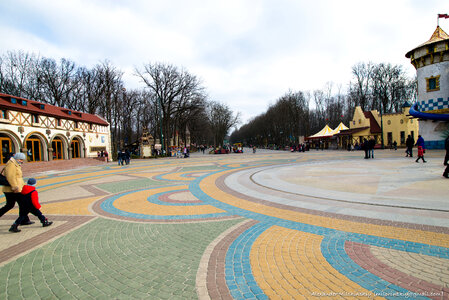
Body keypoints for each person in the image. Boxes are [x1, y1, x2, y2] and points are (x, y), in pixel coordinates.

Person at [0, 153, 32, 225]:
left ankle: (24, 220)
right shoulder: (11, 164)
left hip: (15, 189)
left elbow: (18, 177)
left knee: (13, 205)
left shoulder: (15, 164)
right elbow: (10, 177)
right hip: (13, 189)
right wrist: (14, 187)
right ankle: (24, 220)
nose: (21, 161)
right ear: (16, 158)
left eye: (22, 160)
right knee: (22, 204)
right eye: (20, 159)